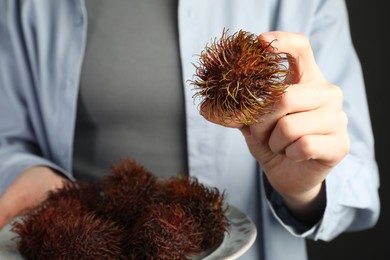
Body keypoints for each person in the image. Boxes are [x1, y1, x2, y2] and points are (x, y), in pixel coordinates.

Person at [0, 0, 380, 259]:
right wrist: (24, 174)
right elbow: (6, 132)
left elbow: (358, 177)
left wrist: (305, 184)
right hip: (72, 235)